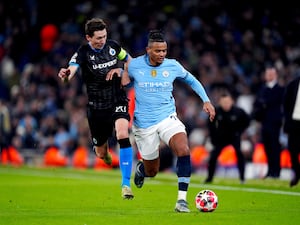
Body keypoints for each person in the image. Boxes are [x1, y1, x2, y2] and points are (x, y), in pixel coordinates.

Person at [120, 30, 215, 212]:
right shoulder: (135, 65)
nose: (162, 54)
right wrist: (121, 72)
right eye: (158, 51)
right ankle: (142, 170)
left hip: (167, 117)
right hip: (144, 125)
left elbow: (192, 80)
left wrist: (206, 100)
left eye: (164, 50)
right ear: (148, 50)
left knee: (183, 149)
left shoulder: (172, 65)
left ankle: (181, 201)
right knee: (152, 171)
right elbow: (125, 82)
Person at [58, 18, 134, 199]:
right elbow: (71, 72)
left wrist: (124, 72)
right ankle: (104, 153)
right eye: (98, 38)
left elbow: (130, 60)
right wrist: (66, 75)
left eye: (104, 36)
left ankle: (125, 184)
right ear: (88, 37)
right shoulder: (82, 53)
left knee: (123, 134)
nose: (102, 40)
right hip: (97, 108)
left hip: (117, 99)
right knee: (101, 153)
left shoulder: (113, 47)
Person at [204, 92, 251, 184]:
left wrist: (240, 132)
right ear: (220, 102)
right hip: (221, 138)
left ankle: (242, 178)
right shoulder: (216, 111)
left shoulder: (239, 111)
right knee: (213, 157)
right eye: (224, 102)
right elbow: (210, 124)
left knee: (239, 155)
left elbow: (247, 121)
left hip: (234, 137)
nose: (226, 104)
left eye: (227, 102)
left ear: (232, 102)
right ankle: (209, 178)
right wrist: (213, 137)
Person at [252, 66, 285, 179]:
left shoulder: (280, 89)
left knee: (275, 147)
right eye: (268, 74)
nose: (269, 76)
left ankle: (276, 171)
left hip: (275, 122)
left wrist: (264, 103)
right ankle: (270, 170)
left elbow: (271, 103)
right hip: (264, 122)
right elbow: (257, 103)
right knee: (267, 147)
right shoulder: (262, 89)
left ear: (275, 75)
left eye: (271, 74)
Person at [283, 75, 300, 187]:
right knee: (292, 151)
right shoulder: (293, 84)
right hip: (294, 123)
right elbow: (286, 103)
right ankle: (297, 173)